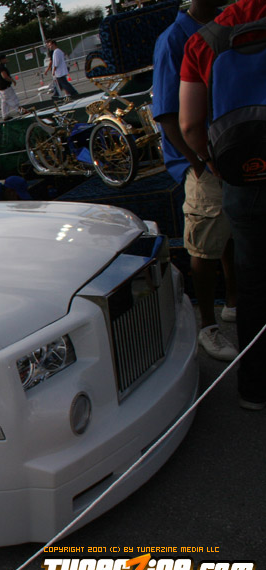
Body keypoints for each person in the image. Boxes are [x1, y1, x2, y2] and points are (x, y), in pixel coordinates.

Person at [179, 0, 266, 409]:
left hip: (244, 175)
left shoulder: (203, 41)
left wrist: (215, 163)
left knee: (253, 281)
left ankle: (255, 388)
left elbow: (189, 124)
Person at [152, 0, 237, 362]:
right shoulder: (174, 39)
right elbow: (167, 115)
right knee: (204, 245)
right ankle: (208, 326)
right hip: (204, 157)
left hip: (229, 149)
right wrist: (199, 162)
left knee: (228, 233)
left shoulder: (226, 23)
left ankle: (232, 303)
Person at [0, 54, 20, 120]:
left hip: (1, 89)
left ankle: (5, 115)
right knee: (13, 99)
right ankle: (19, 110)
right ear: (2, 60)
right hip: (6, 88)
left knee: (4, 103)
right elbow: (4, 76)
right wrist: (12, 80)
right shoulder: (2, 68)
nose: (6, 59)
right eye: (5, 58)